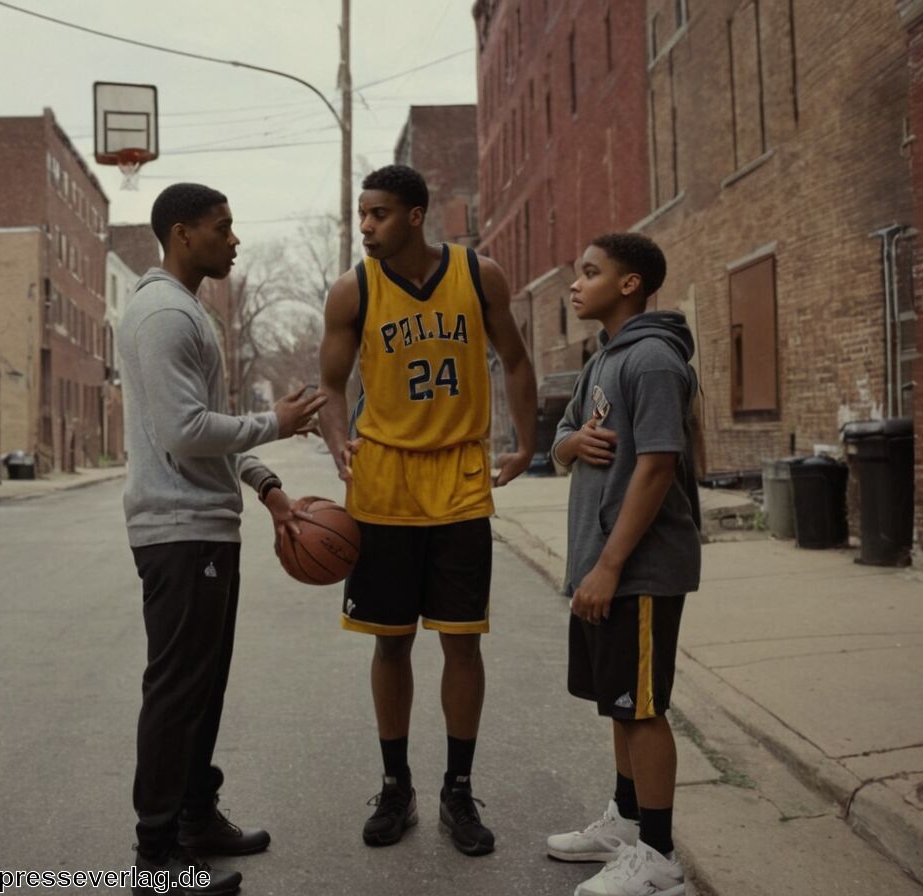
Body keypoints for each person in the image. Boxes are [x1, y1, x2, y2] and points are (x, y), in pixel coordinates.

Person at [317, 165, 537, 857]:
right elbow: (329, 382)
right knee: (390, 639)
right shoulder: (354, 288)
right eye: (361, 215)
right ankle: (395, 784)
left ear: (415, 216)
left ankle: (457, 789)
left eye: (378, 214)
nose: (366, 226)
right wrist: (333, 434)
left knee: (463, 639)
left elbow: (517, 359)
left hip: (460, 473)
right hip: (383, 479)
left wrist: (527, 441)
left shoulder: (480, 276)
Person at [117, 182, 327, 896]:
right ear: (183, 234)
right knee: (177, 690)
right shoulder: (163, 316)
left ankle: (195, 817)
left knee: (201, 689)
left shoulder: (188, 314)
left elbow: (209, 426)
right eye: (222, 227)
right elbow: (184, 432)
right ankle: (155, 858)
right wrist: (277, 424)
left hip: (204, 527)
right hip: (178, 533)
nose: (234, 240)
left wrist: (268, 485)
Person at [546, 233, 701, 896]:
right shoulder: (602, 360)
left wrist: (608, 566)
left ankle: (660, 859)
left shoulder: (655, 360)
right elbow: (560, 443)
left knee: (641, 707)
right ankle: (627, 823)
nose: (575, 285)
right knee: (619, 705)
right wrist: (570, 443)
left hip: (637, 566)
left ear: (630, 284)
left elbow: (658, 464)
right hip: (600, 564)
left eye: (589, 272)